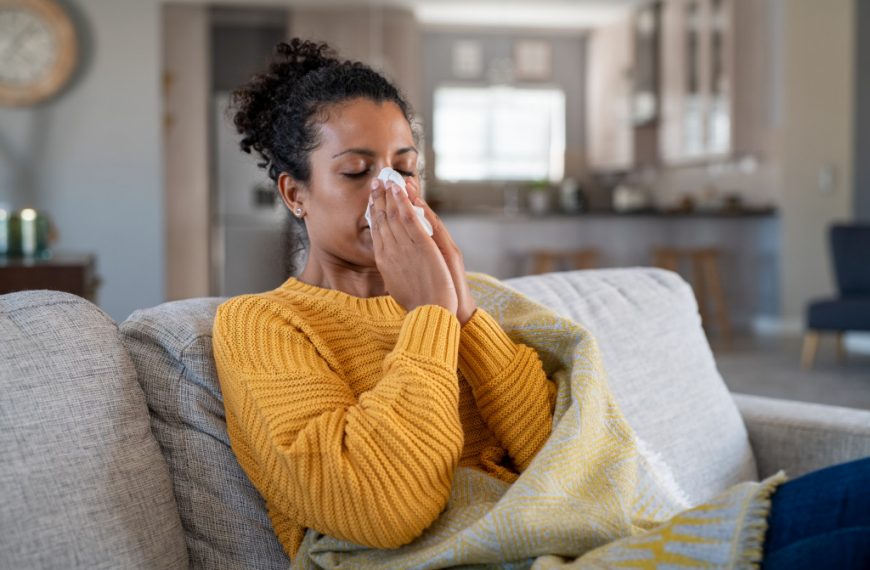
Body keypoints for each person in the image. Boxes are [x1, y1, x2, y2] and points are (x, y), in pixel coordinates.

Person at [212, 39, 870, 569]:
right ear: (296, 193)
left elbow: (566, 463)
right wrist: (432, 319)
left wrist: (463, 309)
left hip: (600, 541)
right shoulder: (264, 325)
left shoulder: (473, 303)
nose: (391, 190)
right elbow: (382, 509)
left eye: (405, 168)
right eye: (356, 172)